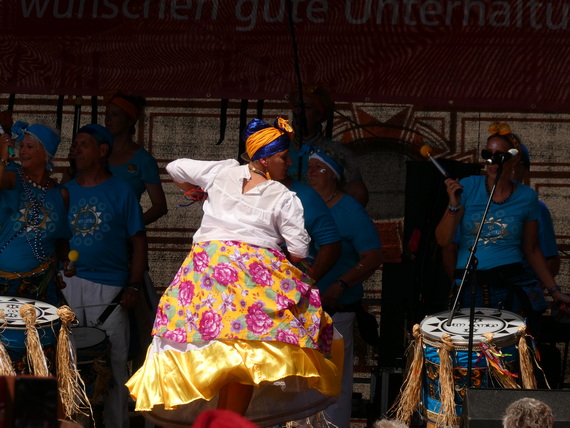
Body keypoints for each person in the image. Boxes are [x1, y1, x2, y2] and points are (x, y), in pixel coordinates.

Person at [127, 118, 341, 426]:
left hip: (207, 273)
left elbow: (175, 167)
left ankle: (221, 422)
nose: (289, 163)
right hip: (252, 279)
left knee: (224, 350)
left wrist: (195, 191)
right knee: (246, 350)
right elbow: (298, 250)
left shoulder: (222, 172)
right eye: (283, 157)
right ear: (264, 159)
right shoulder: (283, 196)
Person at [435, 122, 570, 332]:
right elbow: (443, 240)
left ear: (514, 159)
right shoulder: (468, 186)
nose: (492, 161)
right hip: (470, 286)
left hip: (509, 285)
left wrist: (554, 291)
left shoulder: (527, 197)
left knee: (510, 349)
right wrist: (453, 206)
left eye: (500, 155)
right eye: (487, 155)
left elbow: (532, 249)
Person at [62, 123, 147, 428]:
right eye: (75, 144)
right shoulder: (65, 191)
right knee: (68, 362)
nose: (76, 149)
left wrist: (133, 285)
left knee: (114, 365)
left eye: (83, 144)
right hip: (69, 286)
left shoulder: (122, 191)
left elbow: (139, 242)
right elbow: (55, 240)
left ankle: (115, 424)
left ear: (102, 150)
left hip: (111, 290)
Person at [307, 141, 383, 427]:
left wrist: (341, 284)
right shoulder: (301, 203)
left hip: (336, 312)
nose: (310, 172)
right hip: (300, 310)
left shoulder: (350, 210)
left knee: (334, 382)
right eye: (309, 167)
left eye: (318, 167)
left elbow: (372, 256)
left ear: (333, 174)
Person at [0, 121, 71, 307]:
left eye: (30, 147)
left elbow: (61, 238)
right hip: (3, 283)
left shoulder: (60, 194)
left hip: (40, 284)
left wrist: (66, 259)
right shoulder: (12, 176)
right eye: (21, 146)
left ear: (46, 154)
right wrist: (3, 157)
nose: (22, 151)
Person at [288, 84, 369, 206]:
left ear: (318, 114)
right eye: (296, 106)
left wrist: (332, 212)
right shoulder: (280, 150)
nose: (299, 112)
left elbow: (358, 193)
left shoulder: (336, 152)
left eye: (306, 107)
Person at [104, 91, 167, 225]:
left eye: (115, 114)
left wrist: (132, 226)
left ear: (129, 121)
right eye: (107, 114)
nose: (108, 119)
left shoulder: (143, 160)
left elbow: (160, 206)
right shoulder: (97, 152)